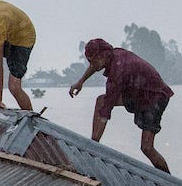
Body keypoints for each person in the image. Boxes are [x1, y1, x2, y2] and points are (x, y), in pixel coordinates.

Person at [69, 37, 174, 172]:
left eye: (93, 61)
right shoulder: (112, 55)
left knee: (147, 147)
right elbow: (95, 66)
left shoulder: (118, 70)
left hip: (155, 97)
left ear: (104, 55)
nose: (92, 65)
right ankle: (94, 142)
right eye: (89, 61)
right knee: (100, 101)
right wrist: (81, 81)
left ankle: (168, 179)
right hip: (138, 92)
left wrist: (93, 148)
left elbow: (106, 110)